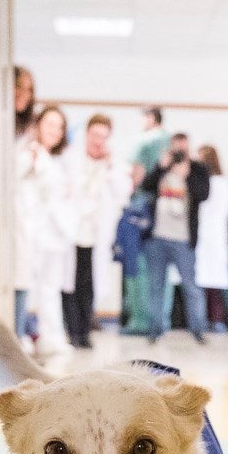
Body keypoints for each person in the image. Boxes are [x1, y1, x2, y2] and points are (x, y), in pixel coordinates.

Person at [138, 132, 210, 345]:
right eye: (175, 148)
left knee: (191, 286)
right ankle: (155, 330)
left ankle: (198, 329)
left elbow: (204, 194)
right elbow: (145, 187)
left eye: (183, 148)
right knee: (155, 286)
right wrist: (161, 167)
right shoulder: (163, 167)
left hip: (183, 240)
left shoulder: (197, 169)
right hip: (157, 238)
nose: (179, 152)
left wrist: (186, 175)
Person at [16, 104, 76, 361]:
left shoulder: (55, 160)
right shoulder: (29, 153)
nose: (55, 131)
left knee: (51, 288)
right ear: (38, 125)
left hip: (56, 234)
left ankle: (51, 336)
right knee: (31, 286)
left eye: (60, 127)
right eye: (50, 124)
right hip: (34, 233)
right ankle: (26, 335)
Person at [64, 113, 129, 349]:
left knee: (88, 284)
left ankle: (84, 331)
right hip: (72, 232)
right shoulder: (71, 158)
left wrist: (110, 167)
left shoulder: (114, 164)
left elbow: (124, 192)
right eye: (94, 135)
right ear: (87, 134)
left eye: (103, 136)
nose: (98, 141)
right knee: (70, 282)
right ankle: (72, 331)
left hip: (96, 235)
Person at [121, 106, 171, 334]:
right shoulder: (170, 142)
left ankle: (140, 321)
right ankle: (161, 319)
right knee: (162, 268)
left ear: (151, 118)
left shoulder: (144, 141)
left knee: (138, 264)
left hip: (143, 208)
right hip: (168, 210)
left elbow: (137, 172)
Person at [194, 145, 228, 334]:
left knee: (217, 283)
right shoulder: (226, 183)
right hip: (223, 239)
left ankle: (219, 321)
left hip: (217, 238)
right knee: (219, 282)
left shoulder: (212, 184)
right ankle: (221, 321)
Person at [10, 66, 38, 338]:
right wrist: (28, 159)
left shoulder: (27, 131)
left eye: (29, 89)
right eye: (18, 87)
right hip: (4, 216)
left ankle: (18, 338)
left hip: (24, 216)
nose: (24, 95)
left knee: (22, 280)